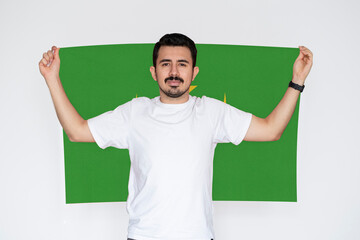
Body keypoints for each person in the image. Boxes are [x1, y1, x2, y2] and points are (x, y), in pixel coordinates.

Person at [39, 33, 313, 240]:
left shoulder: (210, 111)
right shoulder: (135, 113)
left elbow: (271, 130)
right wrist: (52, 78)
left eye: (182, 64)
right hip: (143, 236)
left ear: (193, 72)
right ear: (154, 71)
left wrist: (297, 81)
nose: (173, 72)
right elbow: (76, 132)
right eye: (165, 64)